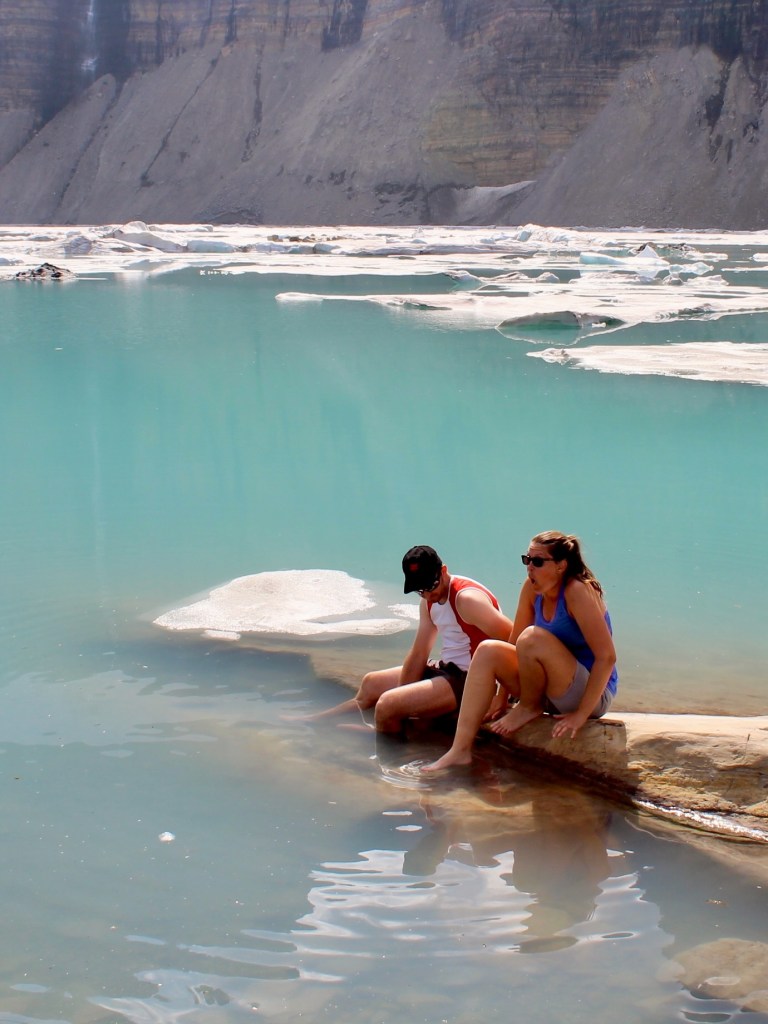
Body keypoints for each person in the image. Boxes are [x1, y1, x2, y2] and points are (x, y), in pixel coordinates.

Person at [424, 531, 618, 771]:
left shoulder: (577, 591)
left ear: (561, 565)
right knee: (488, 650)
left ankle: (529, 707)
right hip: (549, 690)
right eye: (527, 560)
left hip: (590, 695)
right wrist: (501, 698)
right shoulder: (531, 589)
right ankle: (460, 750)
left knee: (532, 637)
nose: (530, 568)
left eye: (538, 562)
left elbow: (607, 657)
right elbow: (513, 645)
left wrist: (581, 715)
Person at [299, 545, 514, 732]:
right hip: (447, 668)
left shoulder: (466, 600)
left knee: (387, 705)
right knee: (371, 683)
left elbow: (512, 639)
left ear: (443, 571)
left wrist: (501, 697)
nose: (427, 595)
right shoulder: (429, 601)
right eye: (420, 590)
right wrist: (404, 694)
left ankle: (396, 749)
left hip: (471, 680)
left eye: (430, 586)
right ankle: (319, 719)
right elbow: (420, 652)